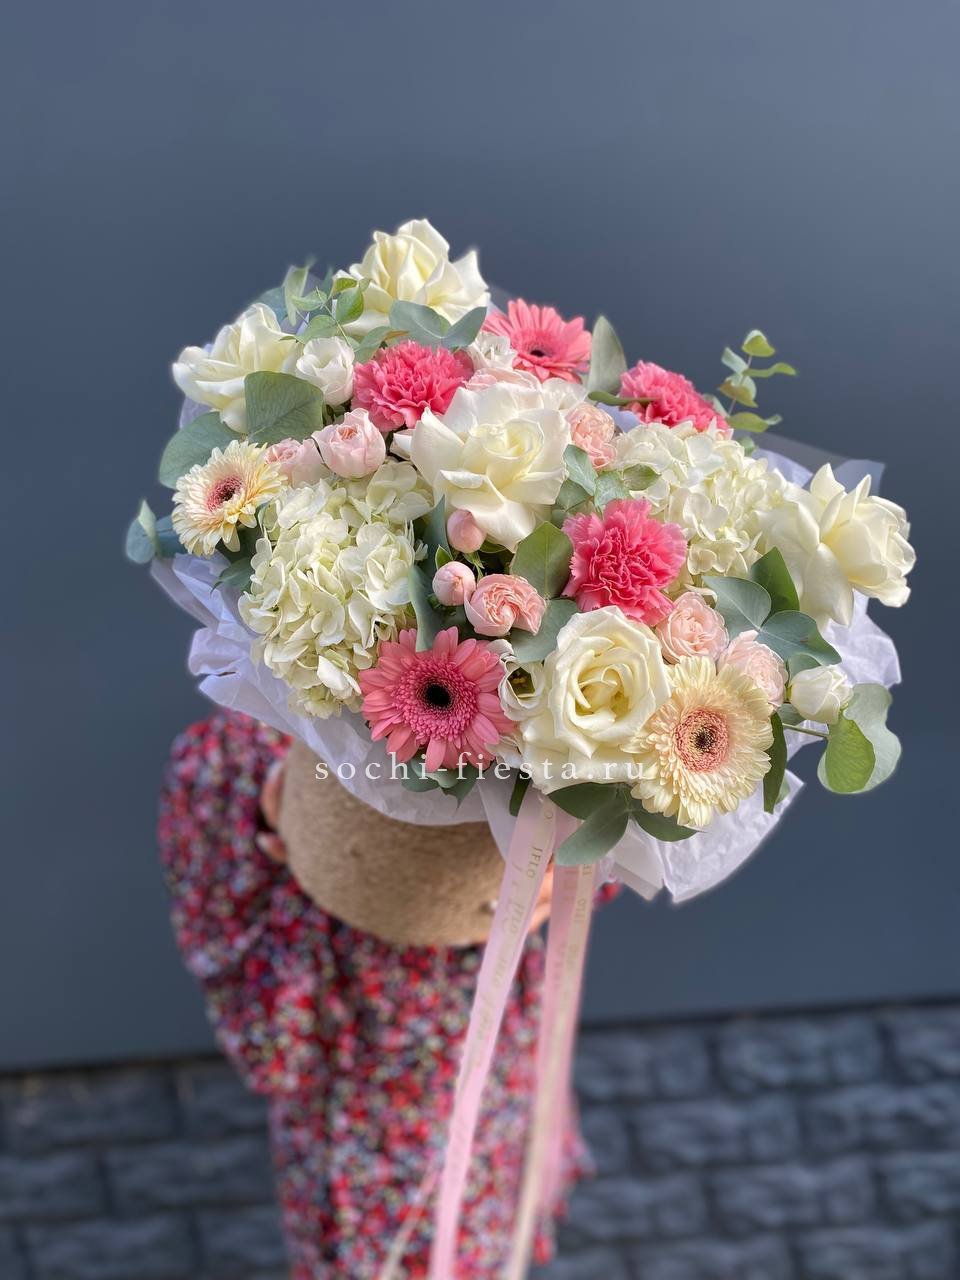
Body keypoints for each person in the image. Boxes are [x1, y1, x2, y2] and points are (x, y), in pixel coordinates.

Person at [159, 710, 611, 1279]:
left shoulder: (525, 720)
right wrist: (296, 829)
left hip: (495, 1075)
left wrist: (556, 875)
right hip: (363, 1117)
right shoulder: (233, 761)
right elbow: (270, 1041)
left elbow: (597, 867)